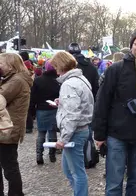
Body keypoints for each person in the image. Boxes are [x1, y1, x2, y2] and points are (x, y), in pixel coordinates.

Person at [92, 30, 136, 196]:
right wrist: (99, 134)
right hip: (117, 136)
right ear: (131, 46)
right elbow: (102, 102)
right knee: (114, 183)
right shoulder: (115, 69)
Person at [50, 51, 94, 196]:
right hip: (79, 130)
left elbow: (73, 114)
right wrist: (62, 102)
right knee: (69, 170)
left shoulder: (69, 84)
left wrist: (63, 138)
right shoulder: (80, 79)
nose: (55, 70)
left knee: (76, 172)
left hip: (75, 132)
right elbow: (79, 105)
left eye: (56, 66)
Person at [0, 53, 33, 196]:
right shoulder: (15, 78)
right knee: (9, 164)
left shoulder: (16, 81)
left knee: (9, 165)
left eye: (1, 63)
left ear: (10, 64)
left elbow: (1, 97)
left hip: (7, 130)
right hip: (9, 128)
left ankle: (16, 193)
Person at [29, 60, 60, 164]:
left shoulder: (38, 80)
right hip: (53, 109)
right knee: (52, 132)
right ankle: (52, 155)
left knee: (41, 133)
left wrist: (32, 111)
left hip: (41, 109)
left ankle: (39, 155)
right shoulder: (57, 81)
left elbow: (32, 97)